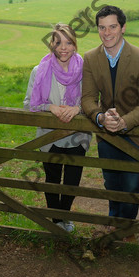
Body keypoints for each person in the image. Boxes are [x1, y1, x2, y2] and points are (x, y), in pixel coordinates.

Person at [81, 5, 139, 235]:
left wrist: (123, 122)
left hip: (136, 132)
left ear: (123, 28)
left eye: (112, 26)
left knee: (131, 184)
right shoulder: (90, 58)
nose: (107, 33)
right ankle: (113, 223)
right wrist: (100, 117)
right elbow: (87, 99)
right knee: (111, 182)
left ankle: (127, 228)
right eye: (102, 28)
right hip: (106, 131)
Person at [23, 23, 91, 233]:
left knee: (71, 182)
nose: (64, 47)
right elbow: (28, 104)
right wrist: (49, 107)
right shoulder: (39, 71)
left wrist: (77, 108)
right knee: (52, 180)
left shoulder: (86, 70)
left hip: (77, 138)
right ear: (51, 43)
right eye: (58, 41)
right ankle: (55, 222)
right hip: (48, 138)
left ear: (75, 45)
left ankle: (65, 217)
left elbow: (93, 101)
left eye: (69, 42)